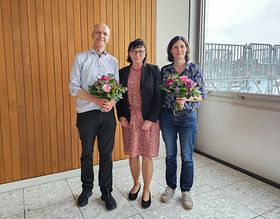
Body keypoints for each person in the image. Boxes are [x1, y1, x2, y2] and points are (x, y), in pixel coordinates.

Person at [69, 23, 118, 210]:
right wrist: (95, 100)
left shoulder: (113, 61)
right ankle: (86, 189)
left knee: (106, 154)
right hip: (86, 114)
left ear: (109, 37)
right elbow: (73, 87)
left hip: (107, 115)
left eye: (105, 33)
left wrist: (111, 102)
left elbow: (117, 89)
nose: (101, 36)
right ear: (92, 35)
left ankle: (106, 191)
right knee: (86, 154)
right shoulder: (80, 58)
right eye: (98, 32)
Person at [160, 36, 205, 210]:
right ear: (171, 50)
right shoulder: (165, 71)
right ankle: (170, 187)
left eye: (182, 46)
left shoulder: (195, 69)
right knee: (170, 155)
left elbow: (201, 95)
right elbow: (161, 96)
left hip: (188, 117)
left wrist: (186, 97)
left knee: (187, 156)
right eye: (175, 47)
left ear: (186, 49)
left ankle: (186, 190)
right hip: (168, 118)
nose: (179, 49)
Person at [116, 39, 161, 208]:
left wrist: (151, 119)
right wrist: (121, 116)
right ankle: (136, 184)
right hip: (130, 119)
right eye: (134, 51)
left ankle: (147, 189)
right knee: (133, 154)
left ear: (145, 53)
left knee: (147, 155)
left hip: (149, 120)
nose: (138, 54)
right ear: (128, 53)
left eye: (141, 51)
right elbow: (118, 96)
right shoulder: (122, 73)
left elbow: (159, 96)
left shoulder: (154, 70)